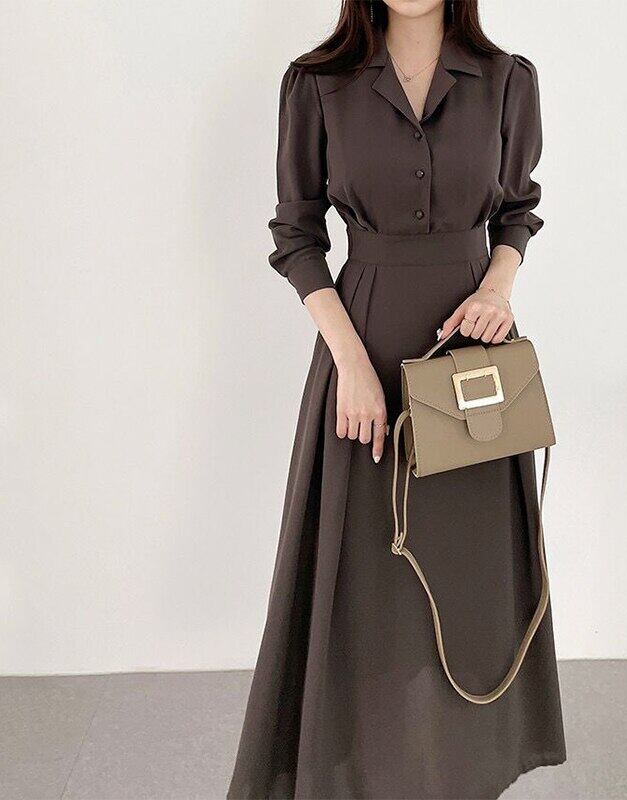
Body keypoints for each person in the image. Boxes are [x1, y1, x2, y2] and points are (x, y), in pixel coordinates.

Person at [228, 1, 565, 797]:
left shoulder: (508, 79)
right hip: (364, 345)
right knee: (366, 581)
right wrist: (349, 362)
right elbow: (297, 234)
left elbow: (517, 212)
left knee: (467, 577)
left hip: (470, 356)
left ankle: (459, 772)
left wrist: (498, 288)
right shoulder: (316, 82)